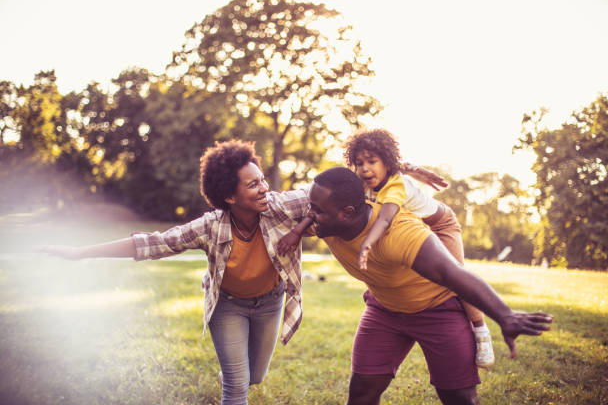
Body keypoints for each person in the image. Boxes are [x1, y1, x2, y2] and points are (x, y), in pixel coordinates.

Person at [37, 140, 311, 405]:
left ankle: (234, 374)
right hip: (228, 306)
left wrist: (301, 228)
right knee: (237, 387)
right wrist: (80, 253)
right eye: (253, 184)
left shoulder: (280, 206)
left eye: (262, 180)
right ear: (230, 196)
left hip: (270, 301)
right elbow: (154, 243)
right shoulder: (210, 226)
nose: (264, 188)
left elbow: (323, 196)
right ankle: (233, 377)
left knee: (256, 376)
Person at [307, 166, 553, 405]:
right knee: (361, 393)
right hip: (385, 311)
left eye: (317, 211)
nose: (309, 215)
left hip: (438, 310)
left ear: (347, 213)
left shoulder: (400, 234)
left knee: (458, 398)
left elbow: (452, 272)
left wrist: (505, 316)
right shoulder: (325, 220)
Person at [279, 128, 495, 368]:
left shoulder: (395, 186)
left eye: (372, 161)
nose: (364, 168)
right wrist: (296, 232)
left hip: (440, 224)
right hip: (413, 223)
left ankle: (481, 330)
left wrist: (367, 245)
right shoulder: (360, 182)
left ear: (386, 163)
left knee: (457, 277)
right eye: (359, 163)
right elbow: (319, 207)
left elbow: (383, 220)